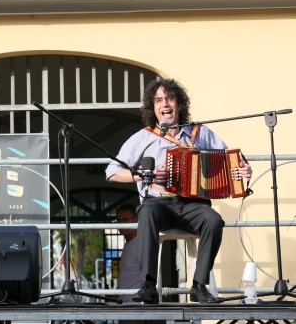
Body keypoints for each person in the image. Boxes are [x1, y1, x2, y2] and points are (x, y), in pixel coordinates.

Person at [105, 78, 252, 304]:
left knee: (214, 220)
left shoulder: (199, 133)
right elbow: (112, 171)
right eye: (159, 100)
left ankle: (198, 285)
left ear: (179, 105)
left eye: (170, 99)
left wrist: (243, 170)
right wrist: (145, 175)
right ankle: (148, 284)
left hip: (193, 205)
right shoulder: (144, 137)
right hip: (159, 204)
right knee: (147, 212)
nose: (165, 104)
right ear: (153, 108)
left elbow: (230, 160)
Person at [115, 203, 140, 304]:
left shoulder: (140, 243)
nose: (121, 223)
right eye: (118, 220)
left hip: (137, 306)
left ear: (136, 220)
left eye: (125, 220)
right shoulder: (129, 244)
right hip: (126, 304)